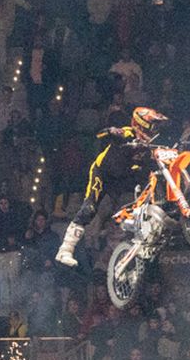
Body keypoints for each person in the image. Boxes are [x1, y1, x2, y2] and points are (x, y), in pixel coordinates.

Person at [55, 107, 168, 268]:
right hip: (103, 173)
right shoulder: (127, 133)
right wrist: (112, 131)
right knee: (90, 208)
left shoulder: (151, 146)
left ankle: (144, 238)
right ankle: (65, 249)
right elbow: (101, 134)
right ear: (141, 125)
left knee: (141, 199)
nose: (154, 131)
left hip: (123, 180)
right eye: (152, 127)